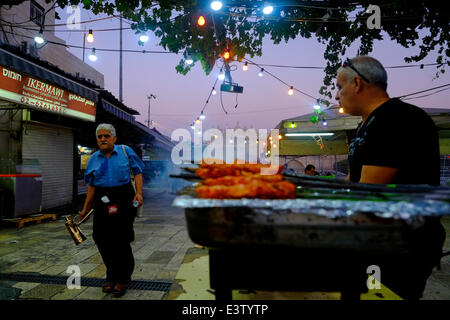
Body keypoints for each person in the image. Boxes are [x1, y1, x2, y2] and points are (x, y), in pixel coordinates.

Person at [335, 56, 446, 300]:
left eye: (339, 87)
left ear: (357, 83)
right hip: (372, 239)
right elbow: (353, 181)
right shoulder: (366, 125)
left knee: (377, 297)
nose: (336, 96)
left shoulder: (396, 118)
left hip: (399, 242)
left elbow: (369, 190)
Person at [79, 123, 144, 297]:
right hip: (102, 198)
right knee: (100, 237)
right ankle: (111, 274)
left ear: (114, 138)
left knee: (121, 239)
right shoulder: (93, 158)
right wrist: (85, 209)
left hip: (124, 196)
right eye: (100, 137)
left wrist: (139, 193)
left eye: (106, 136)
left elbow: (137, 172)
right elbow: (91, 187)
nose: (103, 139)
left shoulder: (125, 151)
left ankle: (122, 278)